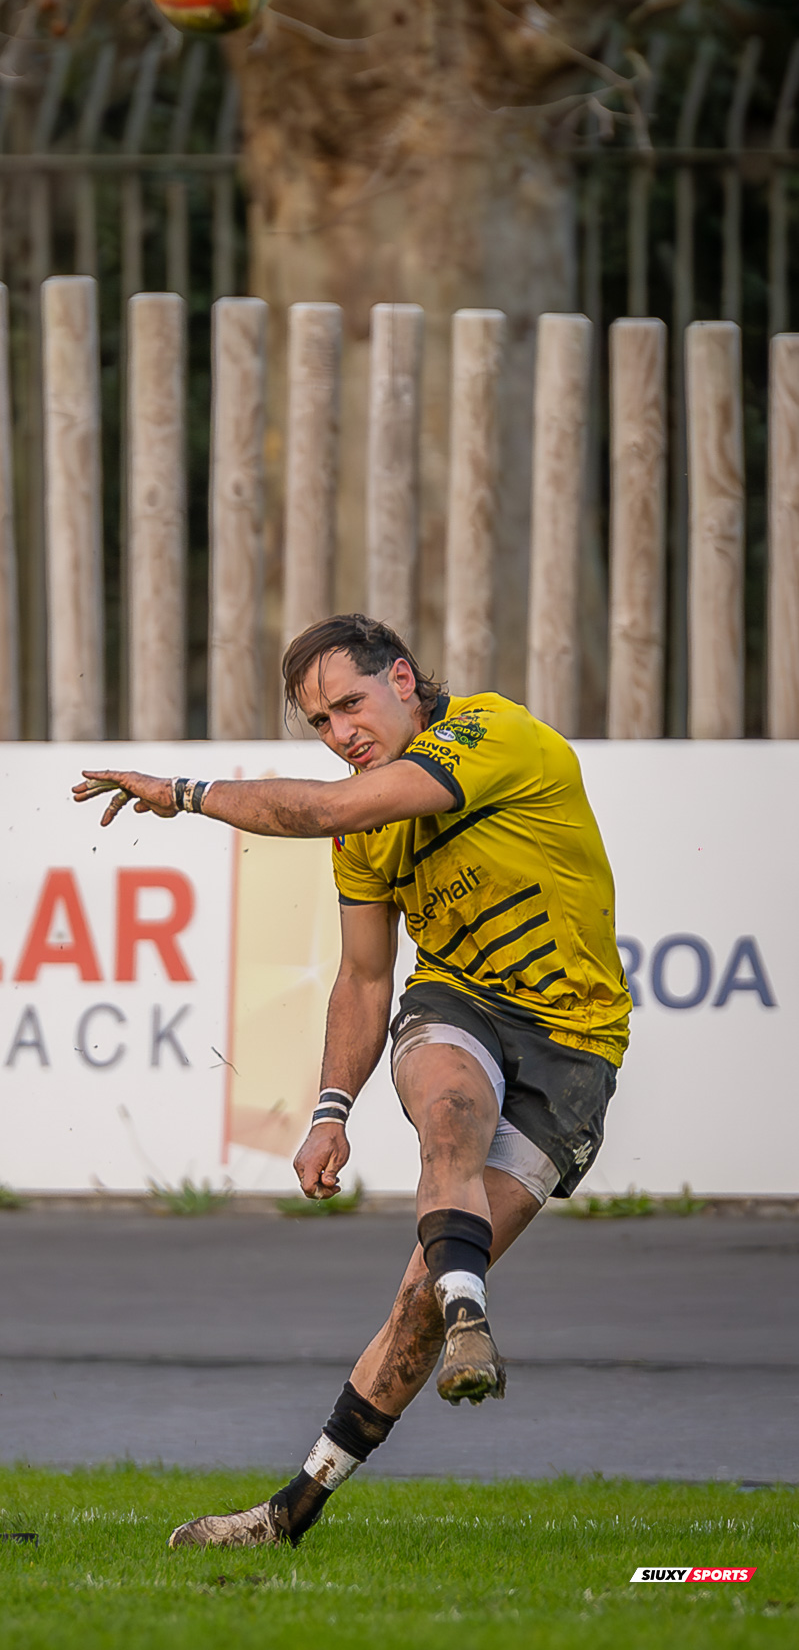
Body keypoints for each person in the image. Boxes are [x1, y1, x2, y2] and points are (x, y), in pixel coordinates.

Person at [73, 614, 631, 1549]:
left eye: (349, 706)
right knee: (449, 1103)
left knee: (413, 1302)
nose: (340, 736)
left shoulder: (493, 734)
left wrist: (181, 793)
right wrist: (328, 1112)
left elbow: (333, 809)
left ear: (404, 679)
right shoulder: (366, 826)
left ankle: (292, 1510)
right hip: (458, 1002)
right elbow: (367, 978)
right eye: (320, 724)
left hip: (577, 1047)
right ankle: (472, 1315)